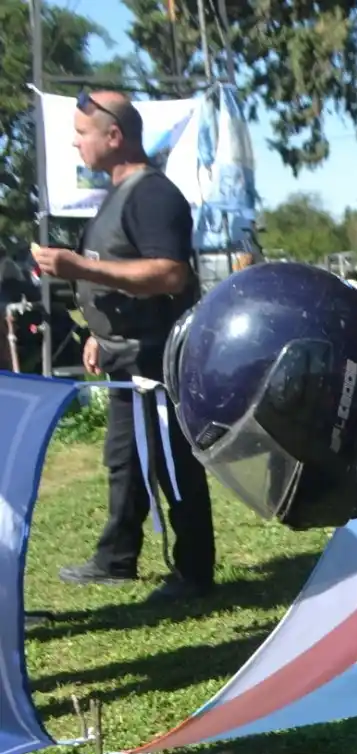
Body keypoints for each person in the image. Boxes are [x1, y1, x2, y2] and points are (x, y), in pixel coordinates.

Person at [33, 89, 214, 600]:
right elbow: (122, 267)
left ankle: (194, 572)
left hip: (155, 357)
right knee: (125, 460)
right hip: (123, 354)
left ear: (114, 136)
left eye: (81, 133)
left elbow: (170, 273)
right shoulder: (117, 194)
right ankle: (116, 558)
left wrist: (77, 267)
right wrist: (98, 332)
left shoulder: (152, 195)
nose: (75, 143)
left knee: (172, 461)